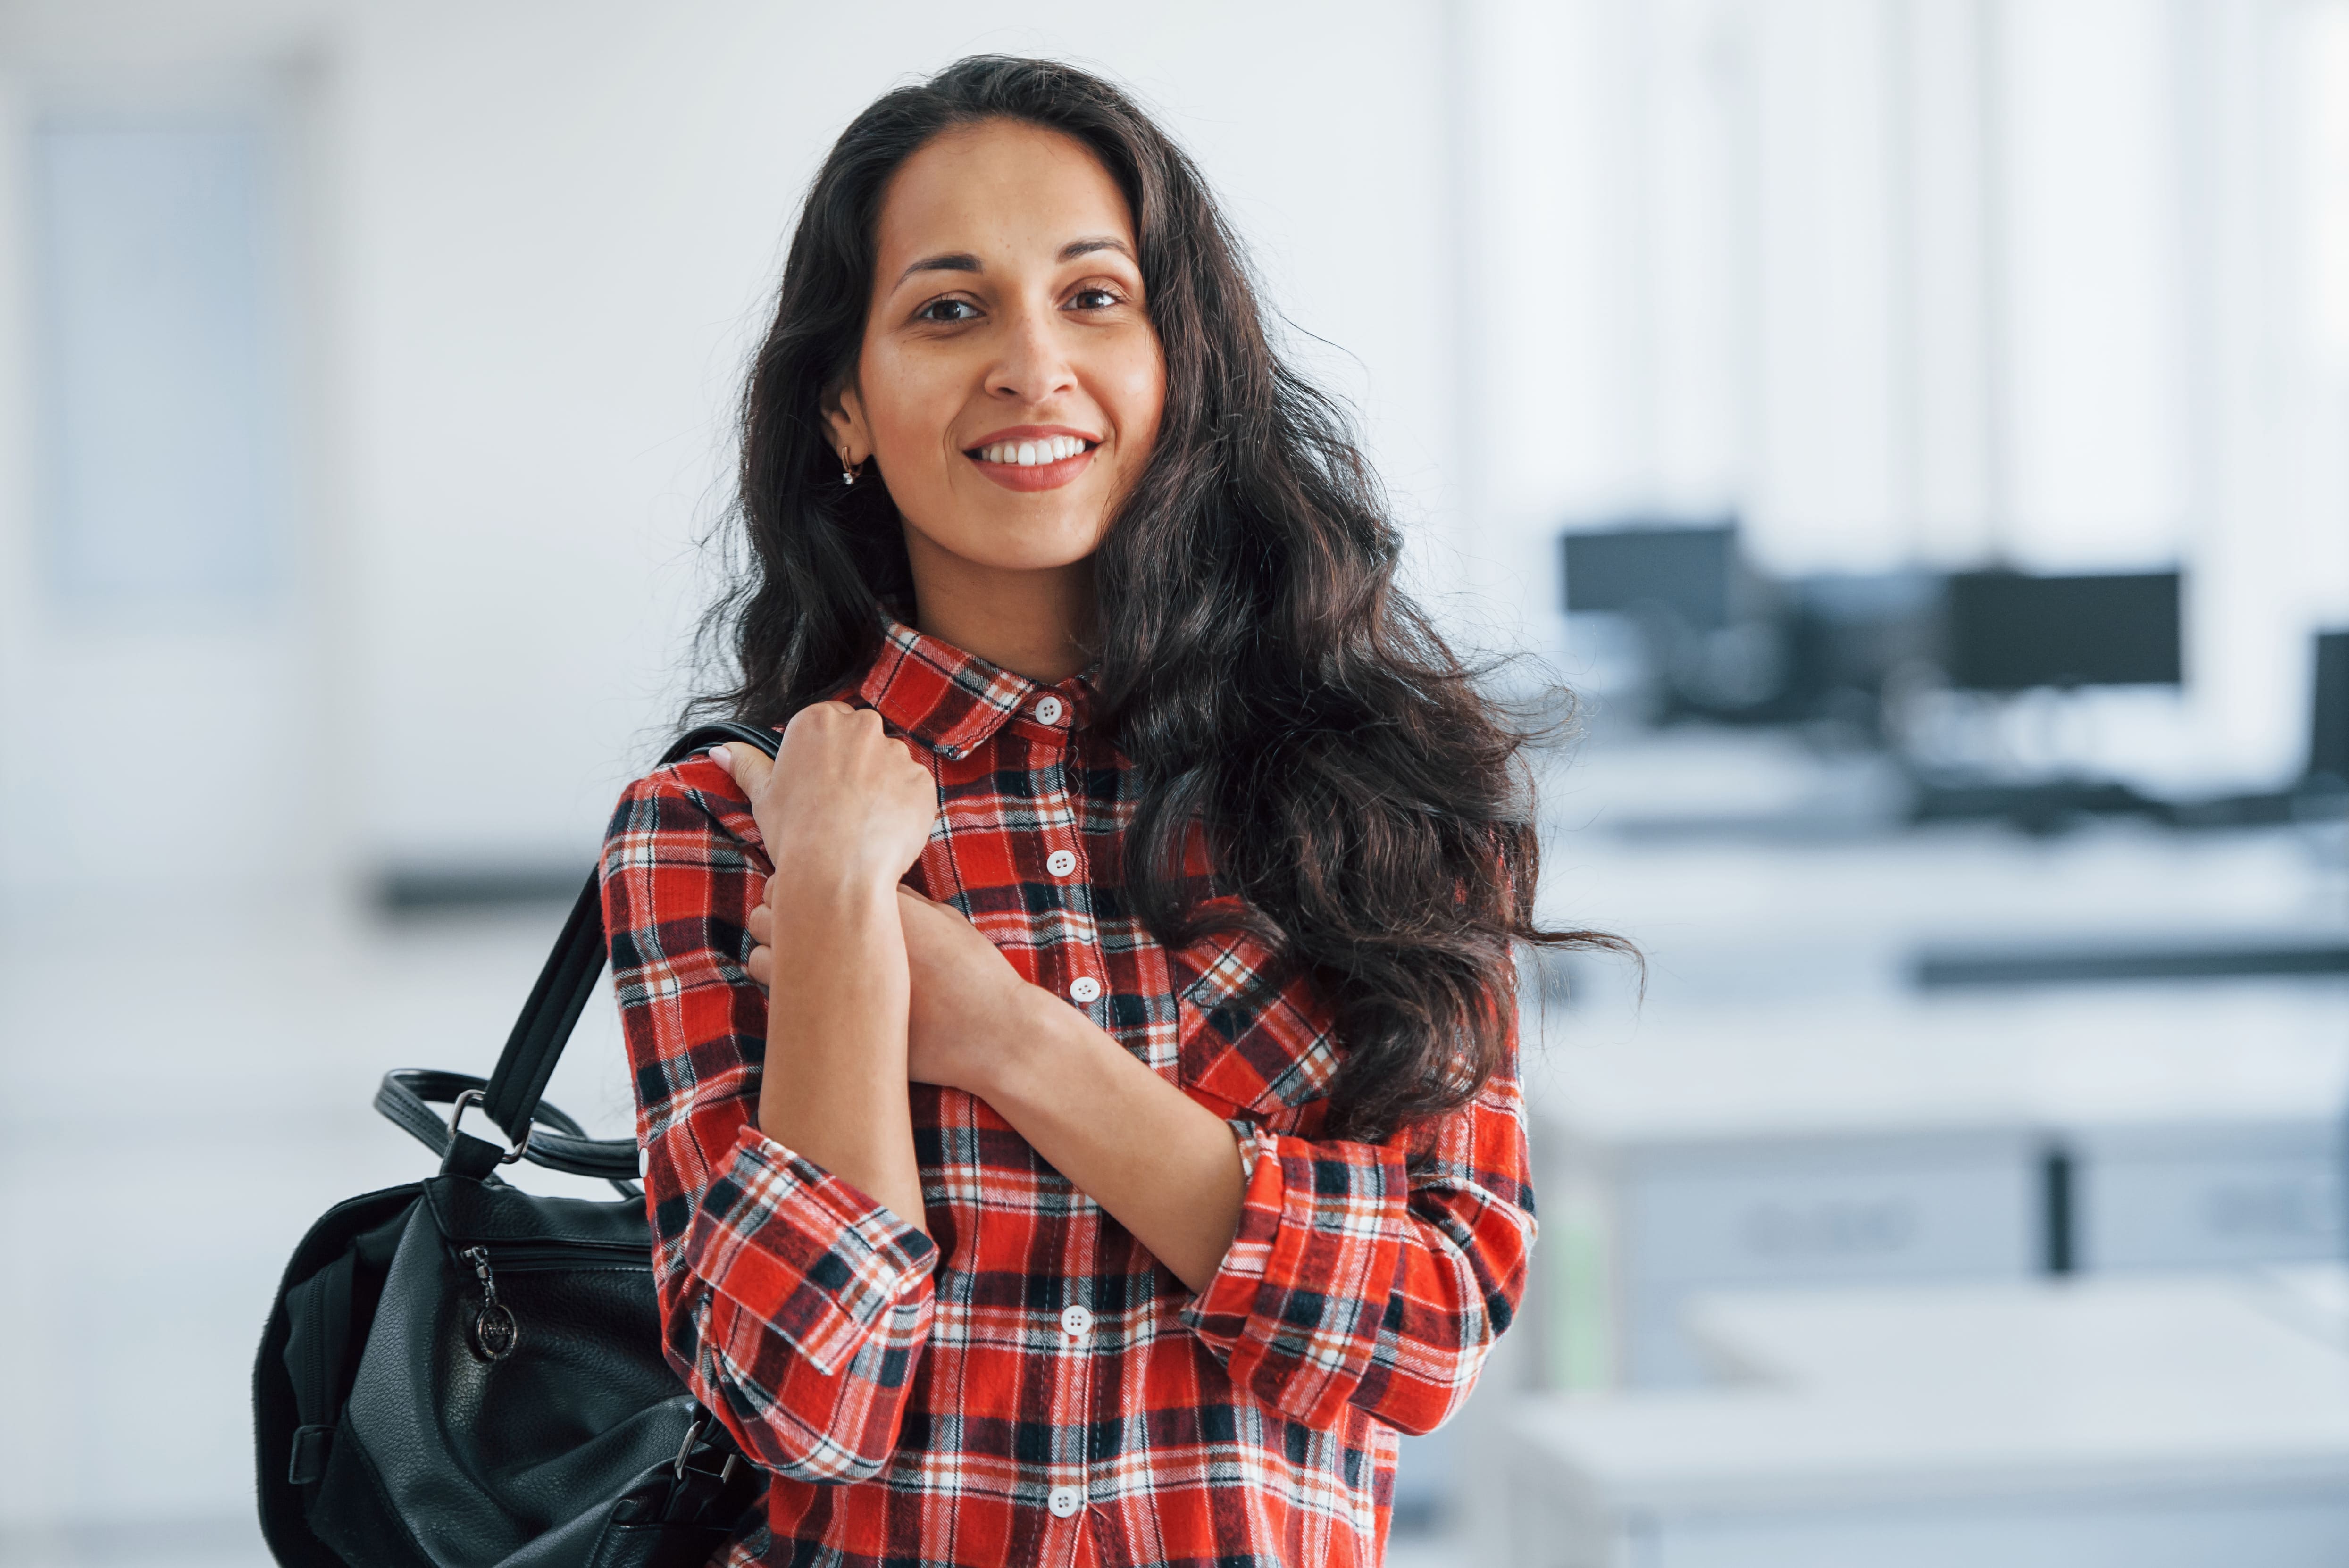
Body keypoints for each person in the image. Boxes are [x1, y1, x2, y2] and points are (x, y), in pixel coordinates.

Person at [600, 54, 1614, 1568]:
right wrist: (829, 909)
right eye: (948, 310)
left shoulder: (1390, 790)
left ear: (1177, 358)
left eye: (1092, 297)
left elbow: (1417, 1341)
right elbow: (799, 1403)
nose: (1029, 365)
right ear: (843, 408)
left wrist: (1008, 1037)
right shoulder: (716, 828)